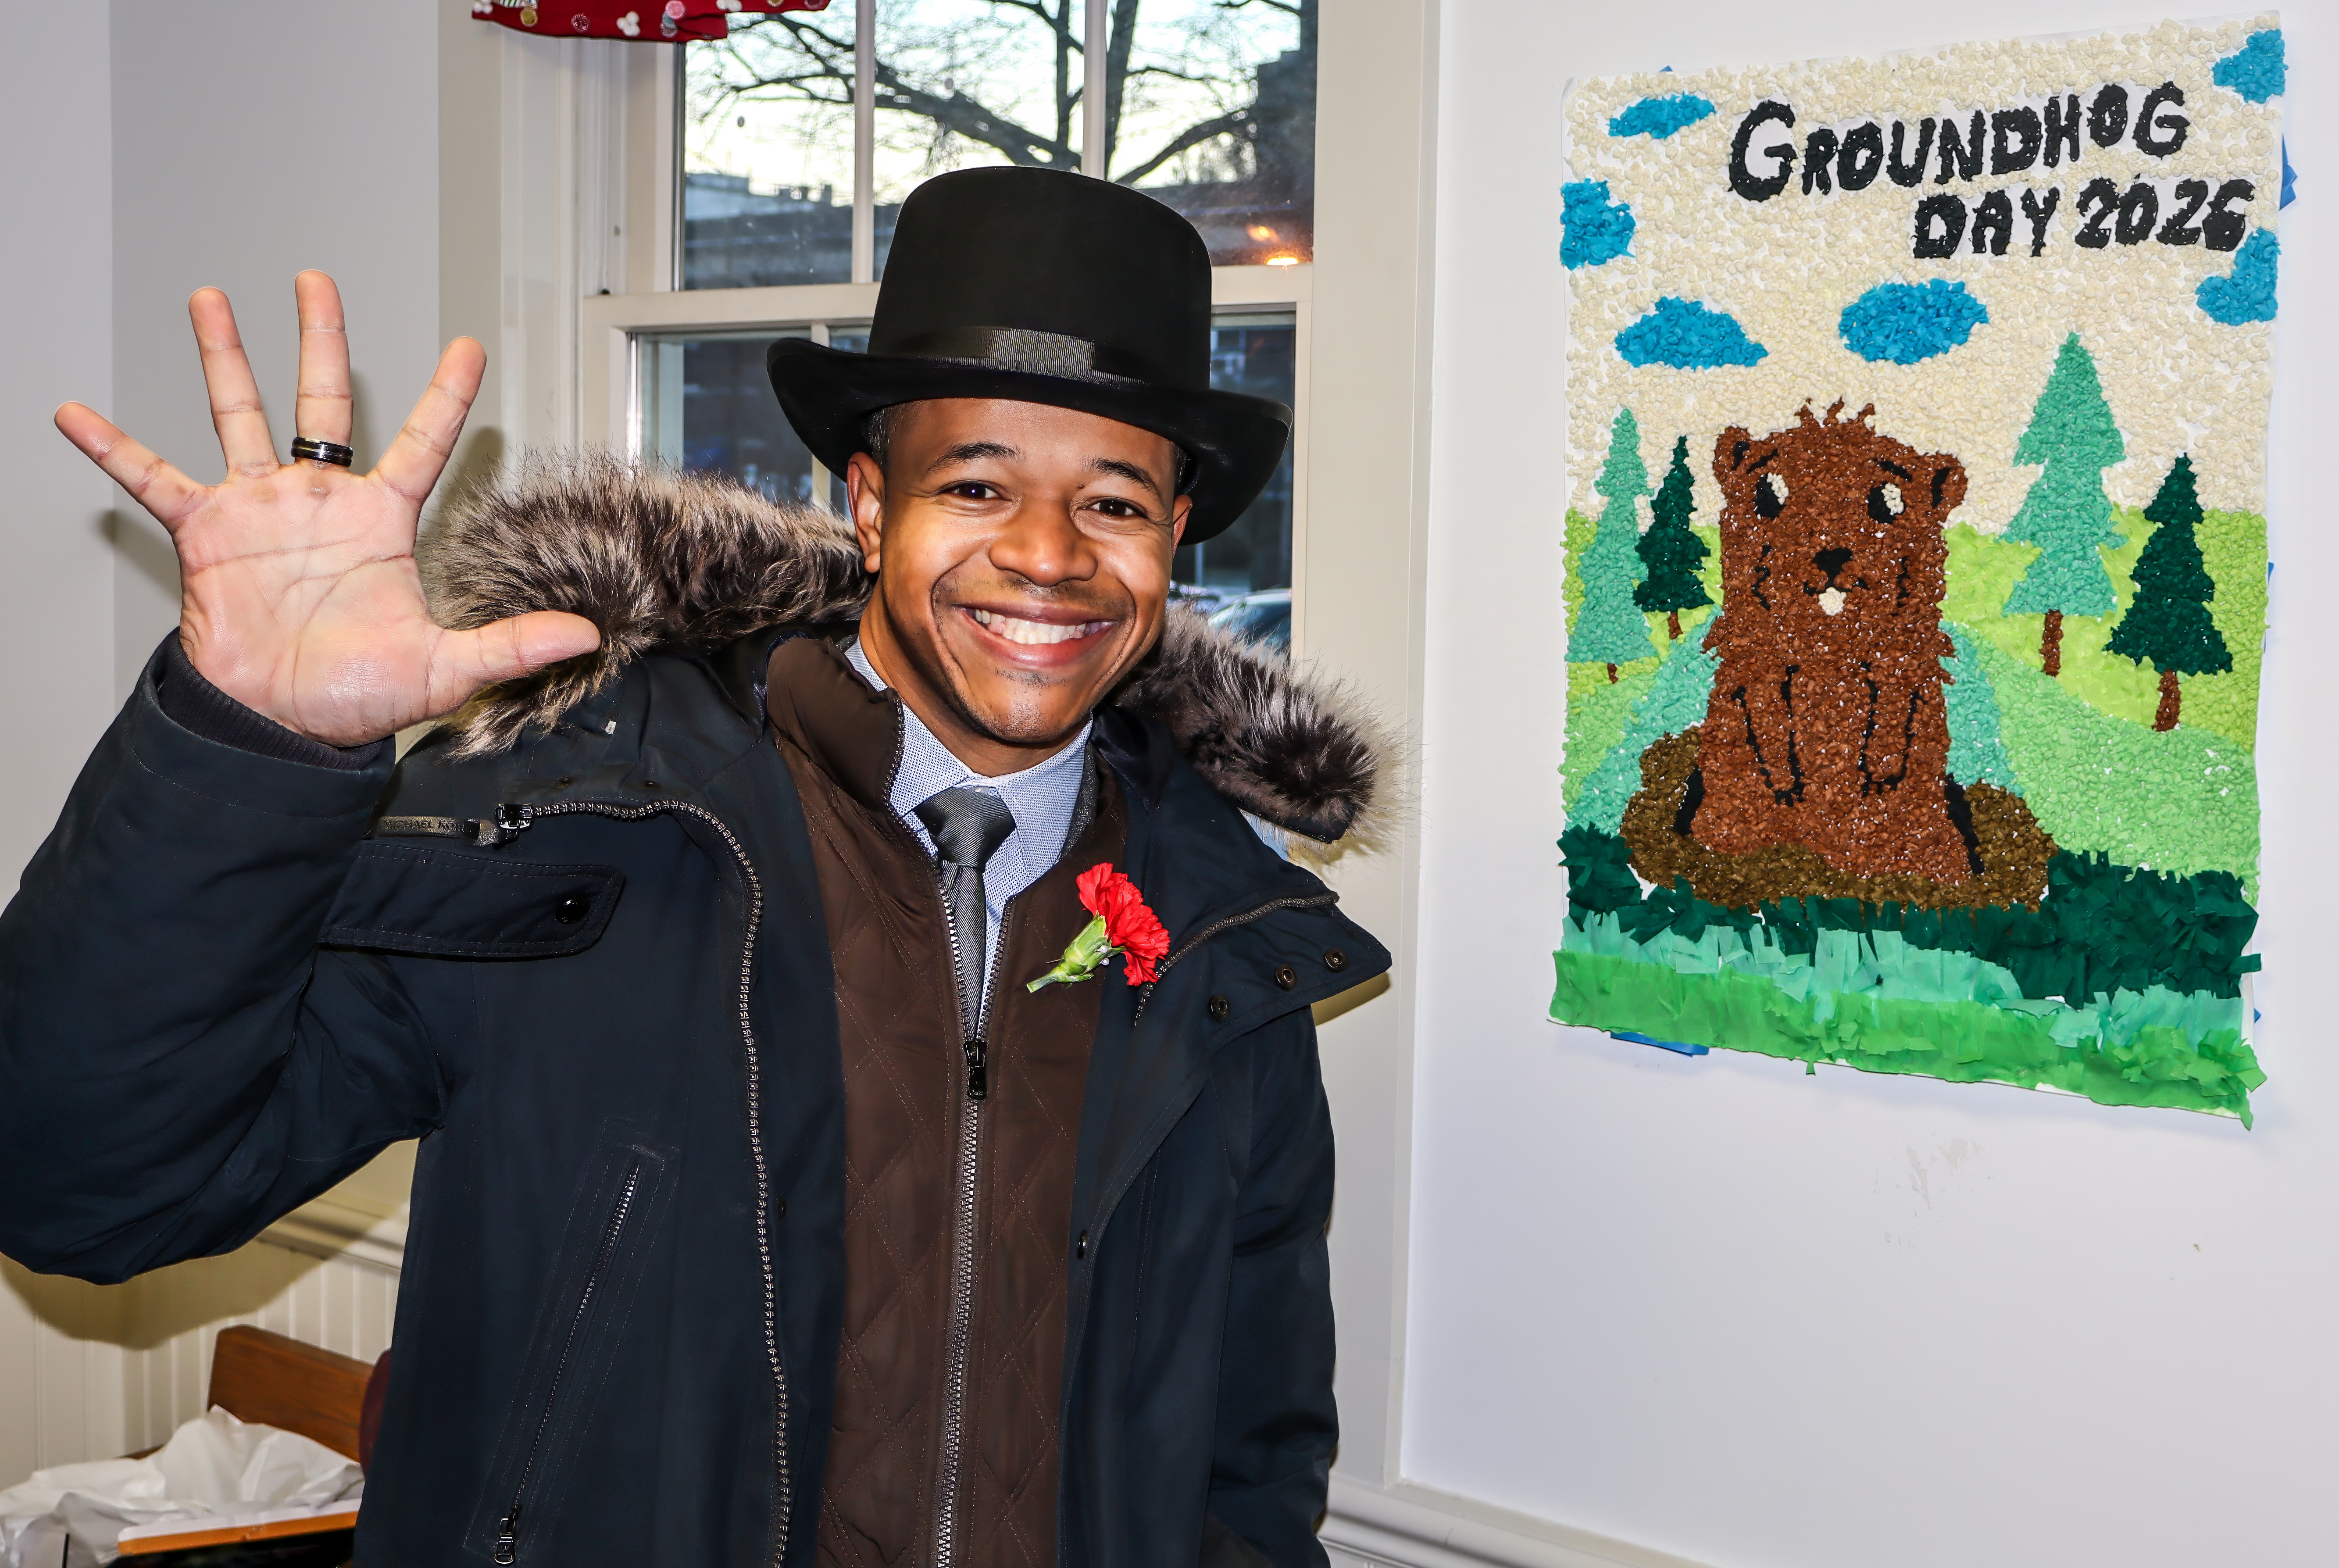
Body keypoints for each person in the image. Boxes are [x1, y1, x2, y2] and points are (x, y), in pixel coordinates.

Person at [0, 168, 1386, 1568]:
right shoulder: (563, 824)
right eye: (976, 485)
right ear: (866, 506)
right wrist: (254, 745)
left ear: (1170, 543)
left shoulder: (1228, 938)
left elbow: (1251, 1451)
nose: (1045, 556)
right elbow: (84, 1190)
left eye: (1115, 505)